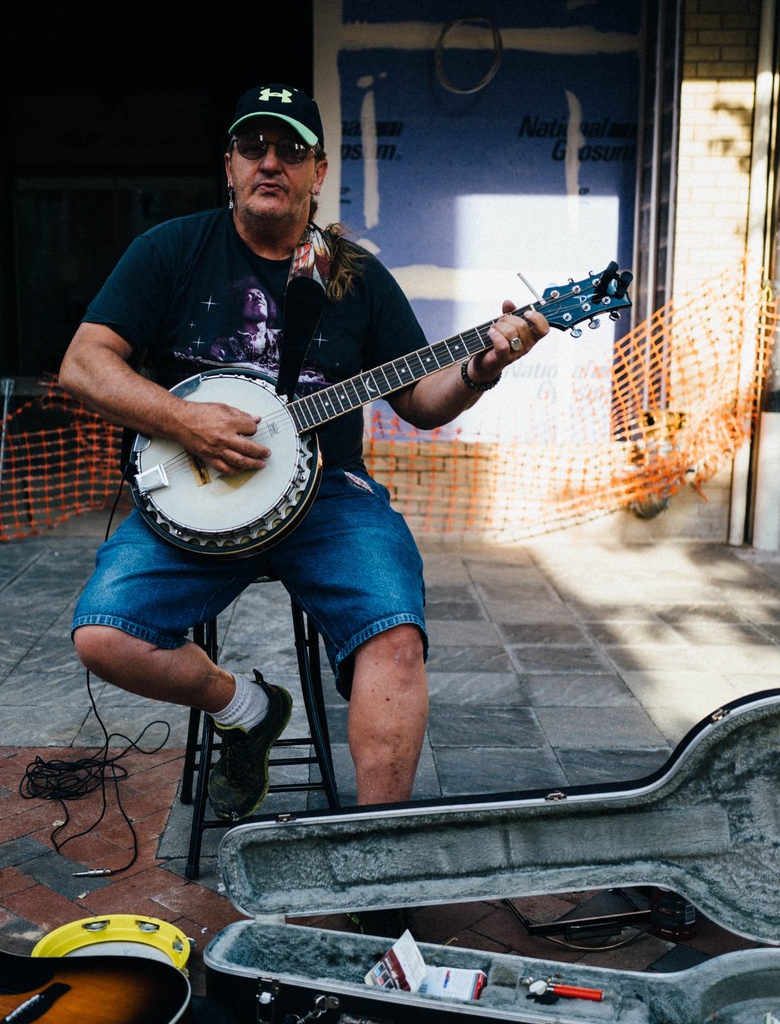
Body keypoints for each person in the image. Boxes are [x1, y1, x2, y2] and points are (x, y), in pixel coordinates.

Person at [57, 83, 549, 820]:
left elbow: (418, 400)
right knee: (103, 635)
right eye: (253, 147)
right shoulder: (168, 252)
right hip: (198, 499)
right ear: (228, 164)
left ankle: (378, 858)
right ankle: (246, 708)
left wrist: (480, 367)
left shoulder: (357, 277)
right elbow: (83, 363)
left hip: (329, 498)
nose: (270, 163)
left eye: (291, 150)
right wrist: (183, 420)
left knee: (395, 640)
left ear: (318, 172)